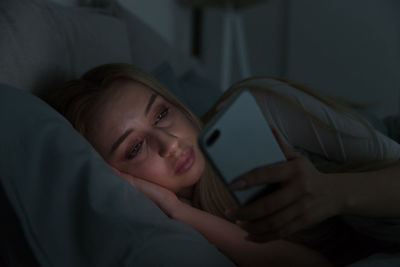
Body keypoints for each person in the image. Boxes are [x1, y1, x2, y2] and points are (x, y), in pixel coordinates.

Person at [49, 63, 400, 266]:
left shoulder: (261, 109)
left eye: (161, 113)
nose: (170, 144)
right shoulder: (164, 216)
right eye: (136, 147)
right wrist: (179, 211)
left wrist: (334, 193)